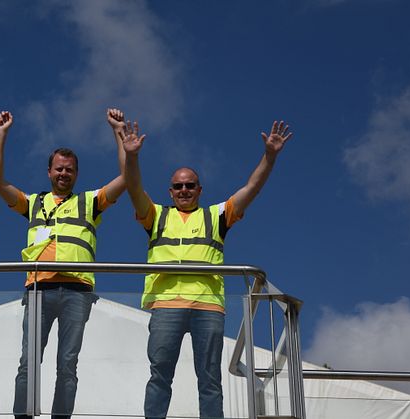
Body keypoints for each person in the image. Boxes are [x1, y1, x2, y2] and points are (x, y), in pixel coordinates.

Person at [121, 120, 294, 419]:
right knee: (160, 375)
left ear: (200, 189)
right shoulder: (155, 215)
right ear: (170, 191)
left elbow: (251, 188)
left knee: (210, 379)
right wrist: (132, 156)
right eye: (178, 186)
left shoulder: (217, 215)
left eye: (190, 185)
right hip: (166, 305)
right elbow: (134, 187)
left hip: (208, 307)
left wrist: (270, 156)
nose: (184, 190)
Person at [0, 109, 127, 419]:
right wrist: (1, 136)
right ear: (49, 171)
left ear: (76, 174)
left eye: (70, 170)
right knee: (29, 361)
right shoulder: (33, 202)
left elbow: (126, 179)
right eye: (59, 169)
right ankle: (22, 416)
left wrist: (118, 133)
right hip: (38, 289)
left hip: (78, 291)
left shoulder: (90, 202)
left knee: (67, 363)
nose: (64, 174)